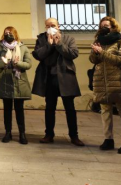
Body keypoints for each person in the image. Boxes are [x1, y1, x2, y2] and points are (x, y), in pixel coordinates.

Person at [32, 18, 84, 146]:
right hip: (49, 77)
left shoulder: (68, 38)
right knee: (50, 107)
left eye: (53, 25)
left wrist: (58, 43)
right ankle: (49, 134)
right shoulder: (41, 39)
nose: (51, 27)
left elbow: (73, 54)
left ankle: (74, 136)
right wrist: (49, 45)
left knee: (70, 108)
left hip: (65, 77)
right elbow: (38, 55)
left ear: (59, 26)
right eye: (48, 25)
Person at [90, 17, 121, 154]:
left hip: (118, 82)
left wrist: (102, 52)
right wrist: (96, 52)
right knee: (105, 112)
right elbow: (93, 60)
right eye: (102, 26)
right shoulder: (98, 41)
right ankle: (108, 139)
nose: (104, 28)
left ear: (113, 27)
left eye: (107, 25)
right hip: (101, 82)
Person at [0, 26, 32, 144]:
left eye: (10, 33)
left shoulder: (23, 47)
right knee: (7, 109)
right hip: (5, 81)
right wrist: (2, 63)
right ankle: (7, 133)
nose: (8, 34)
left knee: (19, 109)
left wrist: (17, 63)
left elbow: (29, 64)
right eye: (6, 33)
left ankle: (22, 134)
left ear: (15, 34)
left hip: (19, 82)